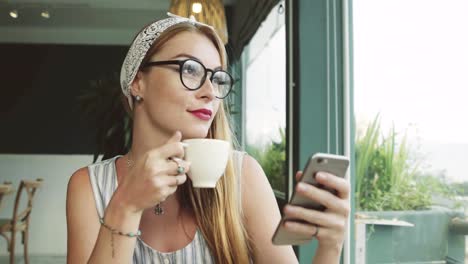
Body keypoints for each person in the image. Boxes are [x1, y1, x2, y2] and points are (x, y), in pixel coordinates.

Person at [66, 13, 350, 264]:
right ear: (138, 82)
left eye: (216, 78)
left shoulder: (242, 175)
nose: (209, 92)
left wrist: (330, 246)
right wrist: (126, 205)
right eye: (189, 69)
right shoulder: (89, 187)